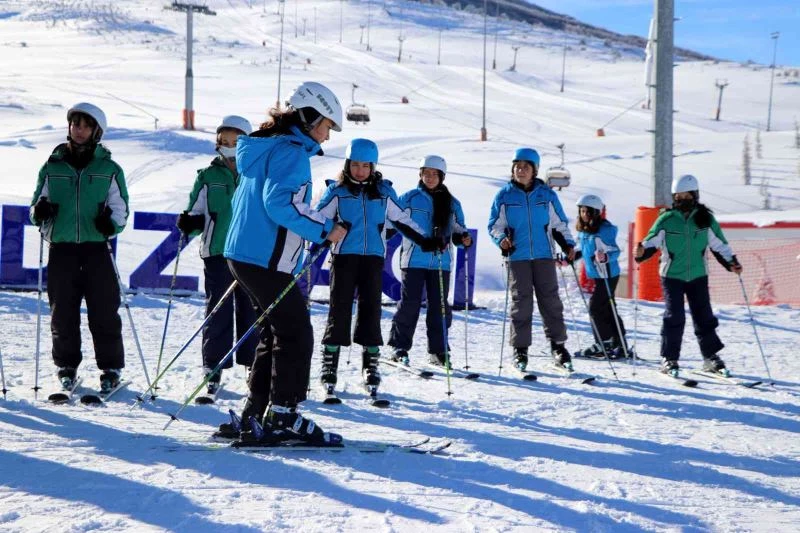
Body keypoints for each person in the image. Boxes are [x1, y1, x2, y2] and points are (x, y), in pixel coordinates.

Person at [220, 82, 348, 444]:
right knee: (295, 333)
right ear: (307, 118)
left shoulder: (265, 146)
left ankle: (257, 411)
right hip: (265, 258)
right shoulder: (291, 152)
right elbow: (280, 204)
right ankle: (283, 414)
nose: (326, 136)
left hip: (247, 255)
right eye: (326, 126)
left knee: (275, 332)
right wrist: (325, 229)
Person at [315, 139, 438, 394]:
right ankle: (330, 362)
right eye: (356, 165)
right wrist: (324, 237)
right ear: (348, 165)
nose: (360, 170)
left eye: (366, 165)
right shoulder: (337, 191)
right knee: (339, 309)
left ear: (373, 167)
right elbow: (317, 219)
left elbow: (402, 220)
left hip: (373, 259)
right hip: (344, 257)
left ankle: (370, 363)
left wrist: (425, 240)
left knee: (371, 309)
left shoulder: (383, 192)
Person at [30, 102, 129, 393]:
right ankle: (66, 366)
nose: (79, 130)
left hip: (96, 249)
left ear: (96, 131)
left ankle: (111, 369)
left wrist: (109, 224)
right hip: (62, 249)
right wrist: (41, 211)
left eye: (85, 125)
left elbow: (121, 208)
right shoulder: (52, 166)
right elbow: (35, 205)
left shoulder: (109, 168)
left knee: (104, 311)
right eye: (75, 124)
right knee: (63, 312)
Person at [177, 115, 258, 395]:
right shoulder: (208, 175)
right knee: (217, 311)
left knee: (251, 310)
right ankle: (213, 367)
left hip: (250, 254)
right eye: (224, 141)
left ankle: (253, 365)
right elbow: (197, 210)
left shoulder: (256, 175)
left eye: (235, 142)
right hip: (217, 252)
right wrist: (191, 223)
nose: (229, 146)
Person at [635, 174, 742, 377]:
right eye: (678, 196)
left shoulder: (705, 219)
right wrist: (641, 253)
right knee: (674, 317)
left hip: (698, 275)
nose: (682, 200)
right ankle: (669, 358)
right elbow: (650, 242)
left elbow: (719, 244)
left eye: (686, 195)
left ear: (695, 195)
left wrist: (732, 262)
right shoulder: (666, 220)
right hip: (672, 275)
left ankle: (710, 357)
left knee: (704, 316)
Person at [487, 147, 576, 371]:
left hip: (544, 256)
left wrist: (568, 245)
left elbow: (559, 225)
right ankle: (520, 349)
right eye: (517, 166)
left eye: (526, 166)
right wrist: (501, 241)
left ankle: (558, 347)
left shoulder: (547, 195)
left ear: (534, 170)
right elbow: (495, 226)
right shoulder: (504, 196)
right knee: (521, 303)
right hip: (517, 257)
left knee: (551, 302)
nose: (521, 169)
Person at [388, 155, 472, 367]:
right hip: (414, 259)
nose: (430, 177)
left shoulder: (452, 203)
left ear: (442, 176)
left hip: (440, 262)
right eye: (426, 173)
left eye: (435, 174)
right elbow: (394, 222)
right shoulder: (409, 198)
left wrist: (463, 239)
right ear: (420, 174)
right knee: (409, 305)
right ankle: (399, 347)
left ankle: (439, 350)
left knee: (440, 307)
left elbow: (458, 230)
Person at [574, 194, 628, 358]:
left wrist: (605, 257)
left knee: (596, 307)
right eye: (582, 211)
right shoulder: (584, 231)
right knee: (608, 308)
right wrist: (570, 257)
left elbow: (614, 250)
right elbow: (583, 250)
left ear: (596, 213)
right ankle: (619, 343)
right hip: (598, 275)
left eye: (587, 212)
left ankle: (603, 343)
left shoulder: (604, 230)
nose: (584, 215)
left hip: (608, 274)